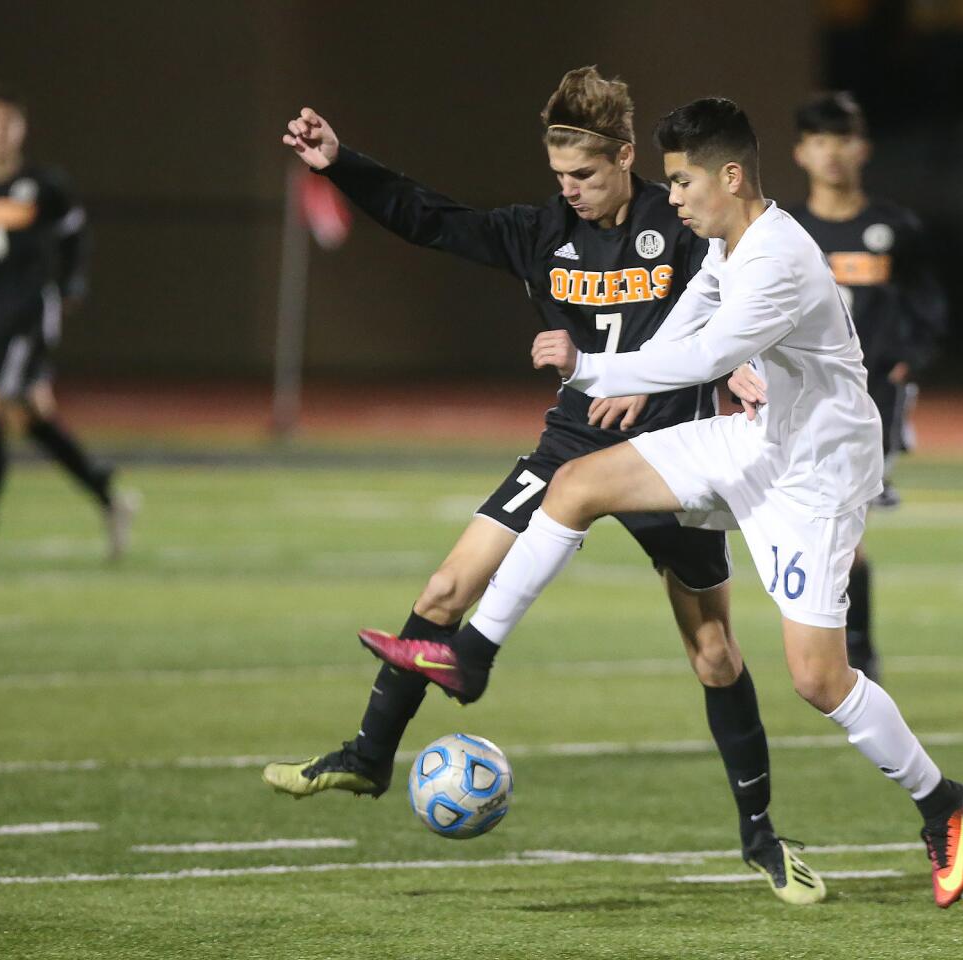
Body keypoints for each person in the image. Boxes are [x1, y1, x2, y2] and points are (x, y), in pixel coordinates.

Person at [361, 97, 963, 909]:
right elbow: (690, 321)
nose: (675, 196)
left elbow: (716, 350)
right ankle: (471, 658)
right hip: (755, 440)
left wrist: (590, 367)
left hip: (814, 477)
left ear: (730, 176)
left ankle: (942, 803)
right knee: (575, 484)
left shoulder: (779, 257)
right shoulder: (730, 241)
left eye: (685, 181)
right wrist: (624, 375)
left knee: (818, 680)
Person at [264, 68, 826, 905]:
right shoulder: (541, 232)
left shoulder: (681, 223)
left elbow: (740, 299)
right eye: (559, 176)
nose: (570, 192)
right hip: (573, 445)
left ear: (628, 158)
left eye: (587, 177)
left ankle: (762, 840)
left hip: (672, 457)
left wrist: (744, 366)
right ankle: (368, 757)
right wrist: (340, 162)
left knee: (714, 655)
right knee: (447, 587)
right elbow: (433, 219)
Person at [755, 91, 946, 683]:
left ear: (861, 149)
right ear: (801, 153)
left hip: (869, 405)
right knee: (810, 523)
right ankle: (845, 645)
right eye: (818, 141)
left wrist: (908, 359)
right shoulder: (783, 228)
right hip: (793, 401)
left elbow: (927, 304)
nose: (831, 153)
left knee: (843, 523)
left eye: (842, 140)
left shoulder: (892, 228)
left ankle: (854, 650)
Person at [0, 83, 135, 559]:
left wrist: (73, 283)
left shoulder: (43, 185)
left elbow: (75, 235)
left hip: (24, 317)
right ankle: (106, 491)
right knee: (29, 417)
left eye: (8, 123)